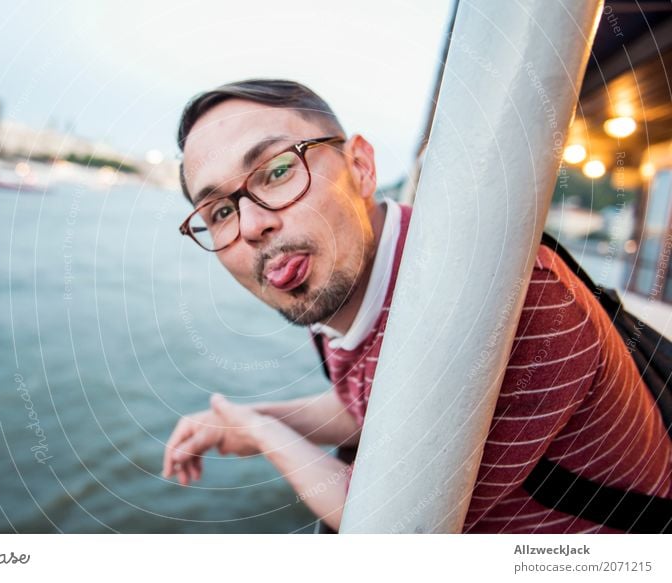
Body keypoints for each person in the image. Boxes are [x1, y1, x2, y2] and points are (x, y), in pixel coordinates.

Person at [161, 79, 672, 533]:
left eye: (276, 171)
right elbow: (371, 407)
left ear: (360, 167)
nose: (252, 227)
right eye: (221, 210)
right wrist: (252, 415)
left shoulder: (493, 299)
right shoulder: (342, 273)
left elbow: (392, 531)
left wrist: (260, 430)